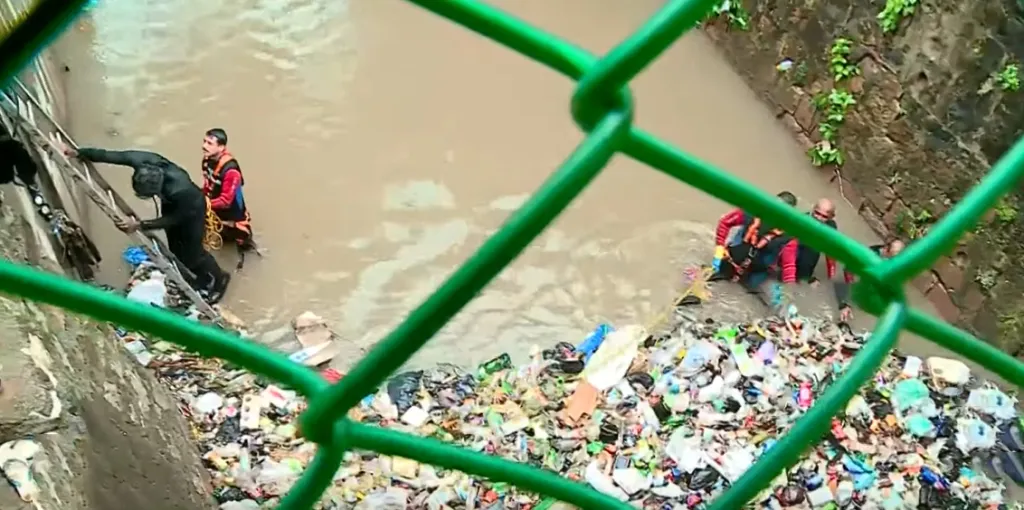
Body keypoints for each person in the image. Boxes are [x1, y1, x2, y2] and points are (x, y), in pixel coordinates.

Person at [67, 146, 231, 303]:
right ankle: (200, 278)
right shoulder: (143, 161)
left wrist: (140, 225)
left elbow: (173, 219)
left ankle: (220, 278)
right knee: (176, 249)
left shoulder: (179, 189)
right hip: (171, 204)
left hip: (191, 210)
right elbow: (112, 156)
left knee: (194, 253)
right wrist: (80, 152)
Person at [711, 191, 801, 290]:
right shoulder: (751, 212)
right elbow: (724, 222)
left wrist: (789, 290)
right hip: (738, 251)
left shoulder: (789, 236)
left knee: (754, 290)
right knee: (714, 273)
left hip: (758, 267)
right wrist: (719, 250)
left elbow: (789, 265)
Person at [201, 128, 258, 270]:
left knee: (243, 243)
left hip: (233, 218)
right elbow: (208, 183)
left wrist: (204, 204)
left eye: (209, 143)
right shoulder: (207, 161)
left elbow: (226, 200)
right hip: (215, 212)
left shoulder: (231, 171)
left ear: (221, 147)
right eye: (204, 141)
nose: (204, 146)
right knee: (220, 236)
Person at [834, 238, 906, 322]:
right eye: (892, 257)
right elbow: (849, 270)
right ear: (886, 249)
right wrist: (845, 303)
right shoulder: (869, 256)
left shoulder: (888, 260)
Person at [795, 198, 845, 284]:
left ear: (831, 217)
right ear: (813, 209)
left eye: (824, 216)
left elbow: (831, 249)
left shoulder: (831, 226)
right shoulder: (801, 221)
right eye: (817, 213)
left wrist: (831, 273)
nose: (819, 218)